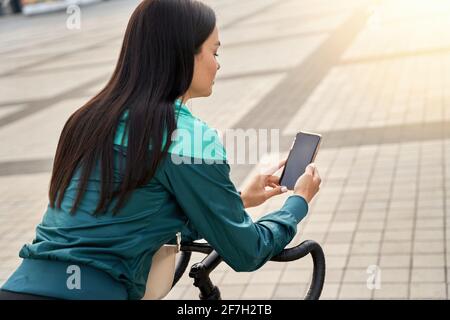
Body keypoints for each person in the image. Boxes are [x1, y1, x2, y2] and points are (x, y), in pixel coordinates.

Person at [0, 0, 321, 300]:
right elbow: (247, 251)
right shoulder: (188, 137)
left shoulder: (86, 118)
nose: (218, 65)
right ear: (184, 54)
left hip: (18, 287)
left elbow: (128, 210)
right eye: (214, 52)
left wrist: (238, 200)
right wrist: (298, 202)